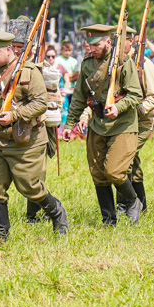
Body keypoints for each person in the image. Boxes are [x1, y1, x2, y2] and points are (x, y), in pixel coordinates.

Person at [0, 31, 68, 240]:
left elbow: (40, 103)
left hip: (25, 140)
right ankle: (0, 234)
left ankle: (56, 211)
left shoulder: (29, 72)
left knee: (30, 187)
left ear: (9, 50)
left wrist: (14, 115)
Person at [60, 23, 143, 226]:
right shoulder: (88, 64)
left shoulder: (123, 62)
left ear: (108, 41)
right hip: (98, 124)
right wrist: (69, 124)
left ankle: (133, 201)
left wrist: (119, 107)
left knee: (114, 171)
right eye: (89, 45)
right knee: (98, 174)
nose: (92, 49)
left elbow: (136, 94)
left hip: (122, 125)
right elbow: (80, 96)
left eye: (96, 45)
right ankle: (108, 219)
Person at [122, 29, 154, 211]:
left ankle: (126, 205)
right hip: (123, 121)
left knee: (124, 158)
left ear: (131, 41)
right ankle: (141, 205)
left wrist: (136, 109)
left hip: (142, 119)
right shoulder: (118, 63)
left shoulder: (144, 64)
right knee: (132, 161)